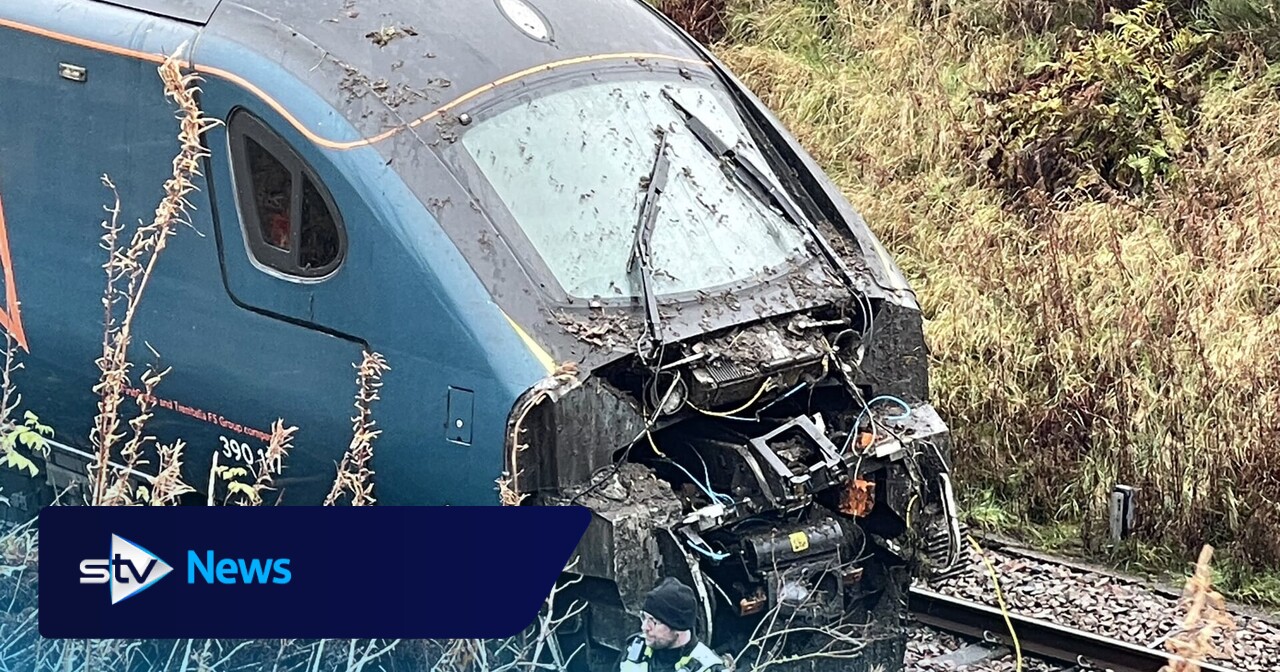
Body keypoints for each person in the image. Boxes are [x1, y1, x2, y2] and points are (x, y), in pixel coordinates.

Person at [618, 577, 726, 672]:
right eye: (644, 617)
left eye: (653, 622)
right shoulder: (633, 649)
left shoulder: (709, 668)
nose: (644, 627)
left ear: (679, 628)